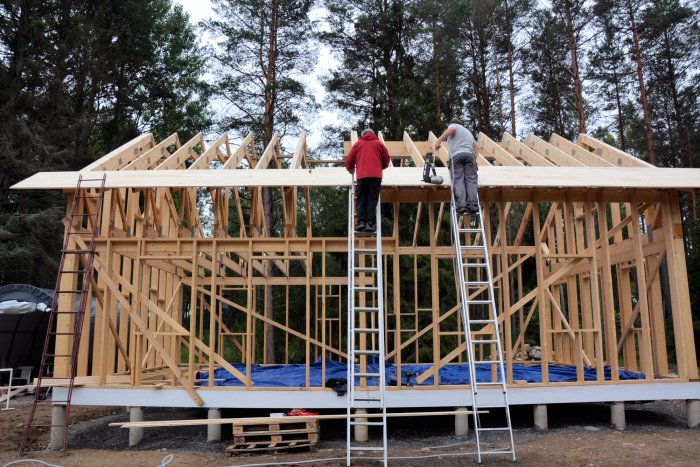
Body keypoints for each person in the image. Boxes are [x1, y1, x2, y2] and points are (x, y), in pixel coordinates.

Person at [345, 128, 391, 233]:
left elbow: (349, 160)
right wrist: (380, 167)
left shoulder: (358, 144)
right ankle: (370, 223)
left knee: (361, 199)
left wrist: (351, 169)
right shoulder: (379, 144)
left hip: (362, 176)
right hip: (376, 177)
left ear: (363, 135)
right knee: (372, 200)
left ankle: (361, 222)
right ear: (373, 134)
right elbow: (387, 159)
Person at [433, 118, 479, 216]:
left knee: (458, 180)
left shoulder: (454, 126)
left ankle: (461, 206)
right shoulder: (468, 132)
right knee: (471, 180)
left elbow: (451, 130)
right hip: (470, 156)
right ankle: (473, 206)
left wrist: (438, 141)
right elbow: (477, 147)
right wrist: (474, 159)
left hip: (457, 156)